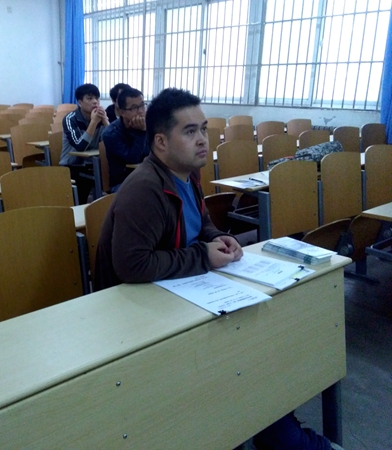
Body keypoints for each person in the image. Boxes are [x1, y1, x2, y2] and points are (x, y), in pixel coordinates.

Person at [95, 87, 342, 450]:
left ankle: (275, 428)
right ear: (161, 142)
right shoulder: (145, 189)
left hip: (177, 294)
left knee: (258, 340)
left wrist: (219, 238)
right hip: (136, 316)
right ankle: (278, 434)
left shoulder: (187, 176)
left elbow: (201, 226)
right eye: (189, 131)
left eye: (203, 129)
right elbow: (132, 265)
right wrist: (203, 257)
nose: (202, 140)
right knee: (242, 361)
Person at [60, 83, 108, 204]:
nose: (95, 102)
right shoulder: (70, 119)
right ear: (80, 102)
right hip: (73, 165)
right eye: (90, 98)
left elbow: (114, 142)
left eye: (97, 98)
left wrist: (106, 121)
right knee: (83, 184)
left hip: (94, 164)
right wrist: (94, 122)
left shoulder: (100, 118)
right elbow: (80, 146)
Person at [102, 86, 149, 192]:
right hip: (123, 182)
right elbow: (133, 159)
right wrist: (142, 132)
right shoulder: (111, 133)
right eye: (134, 108)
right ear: (122, 112)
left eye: (142, 105)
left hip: (147, 176)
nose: (141, 111)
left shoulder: (149, 124)